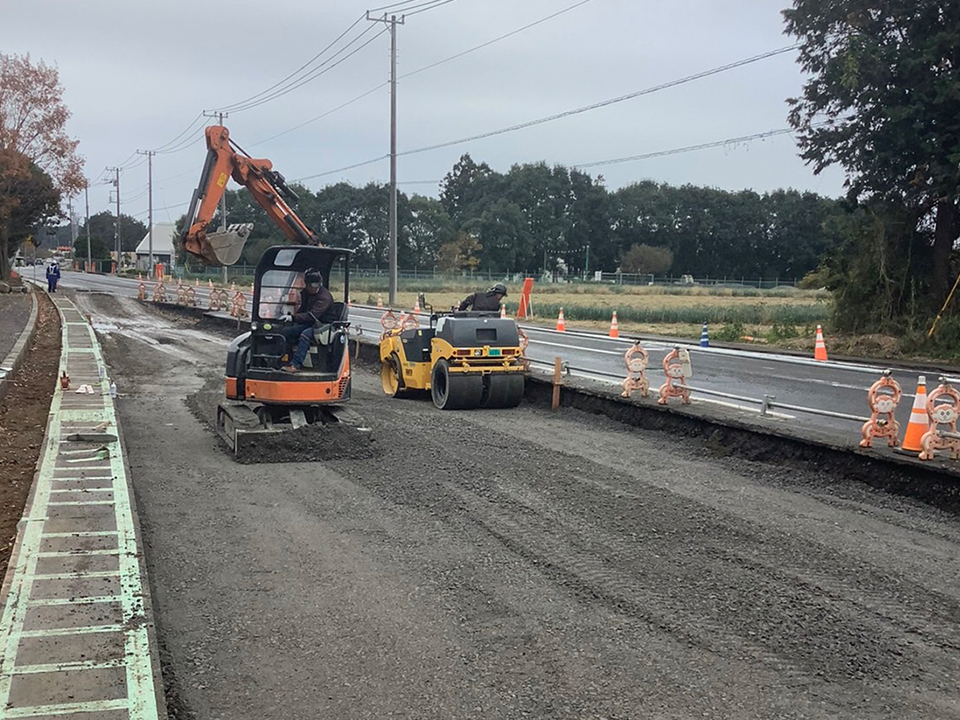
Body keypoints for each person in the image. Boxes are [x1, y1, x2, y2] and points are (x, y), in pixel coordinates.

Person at [280, 268, 337, 373]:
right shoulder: (306, 293)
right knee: (285, 332)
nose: (313, 288)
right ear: (306, 284)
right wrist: (292, 319)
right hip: (312, 324)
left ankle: (295, 365)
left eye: (316, 285)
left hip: (324, 326)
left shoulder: (324, 297)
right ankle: (284, 360)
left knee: (305, 334)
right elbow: (303, 310)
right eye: (311, 286)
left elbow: (312, 315)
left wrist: (293, 317)